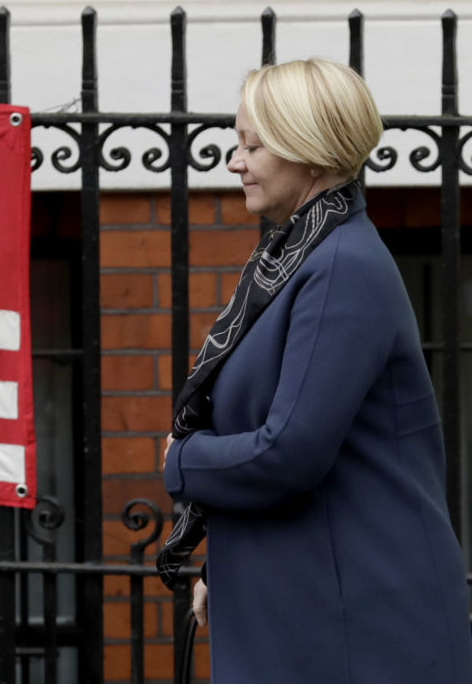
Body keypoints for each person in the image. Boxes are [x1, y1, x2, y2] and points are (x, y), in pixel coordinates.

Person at [159, 58, 472, 683]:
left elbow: (289, 453)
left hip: (355, 622)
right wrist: (219, 566)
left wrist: (181, 459)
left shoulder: (339, 268)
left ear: (309, 151)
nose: (235, 160)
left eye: (253, 144)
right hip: (308, 603)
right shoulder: (298, 258)